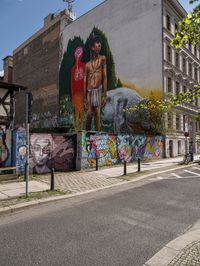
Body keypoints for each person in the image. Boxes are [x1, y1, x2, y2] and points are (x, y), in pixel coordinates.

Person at [84, 35, 107, 131]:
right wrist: (84, 97)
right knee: (89, 113)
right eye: (96, 44)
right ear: (92, 47)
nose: (99, 45)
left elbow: (105, 77)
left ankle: (98, 137)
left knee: (97, 113)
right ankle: (87, 135)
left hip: (98, 89)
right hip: (89, 91)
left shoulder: (103, 59)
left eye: (100, 44)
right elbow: (84, 81)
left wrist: (104, 95)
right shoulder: (87, 65)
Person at [71, 46, 85, 131]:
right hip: (77, 94)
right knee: (78, 112)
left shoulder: (83, 66)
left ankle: (80, 128)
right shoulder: (73, 69)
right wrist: (72, 96)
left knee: (81, 112)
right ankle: (78, 128)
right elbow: (72, 83)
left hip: (80, 93)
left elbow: (85, 81)